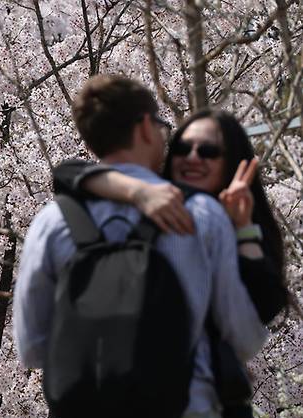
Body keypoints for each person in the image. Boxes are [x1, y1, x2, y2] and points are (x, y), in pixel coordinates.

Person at [13, 75, 268, 418]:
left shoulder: (50, 222)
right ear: (146, 127)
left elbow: (30, 348)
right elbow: (242, 337)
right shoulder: (201, 216)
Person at [53, 109, 288, 326]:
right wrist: (137, 192)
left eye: (208, 151)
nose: (193, 157)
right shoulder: (151, 197)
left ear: (231, 161)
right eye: (183, 149)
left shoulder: (243, 224)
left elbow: (264, 307)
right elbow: (66, 173)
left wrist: (242, 227)